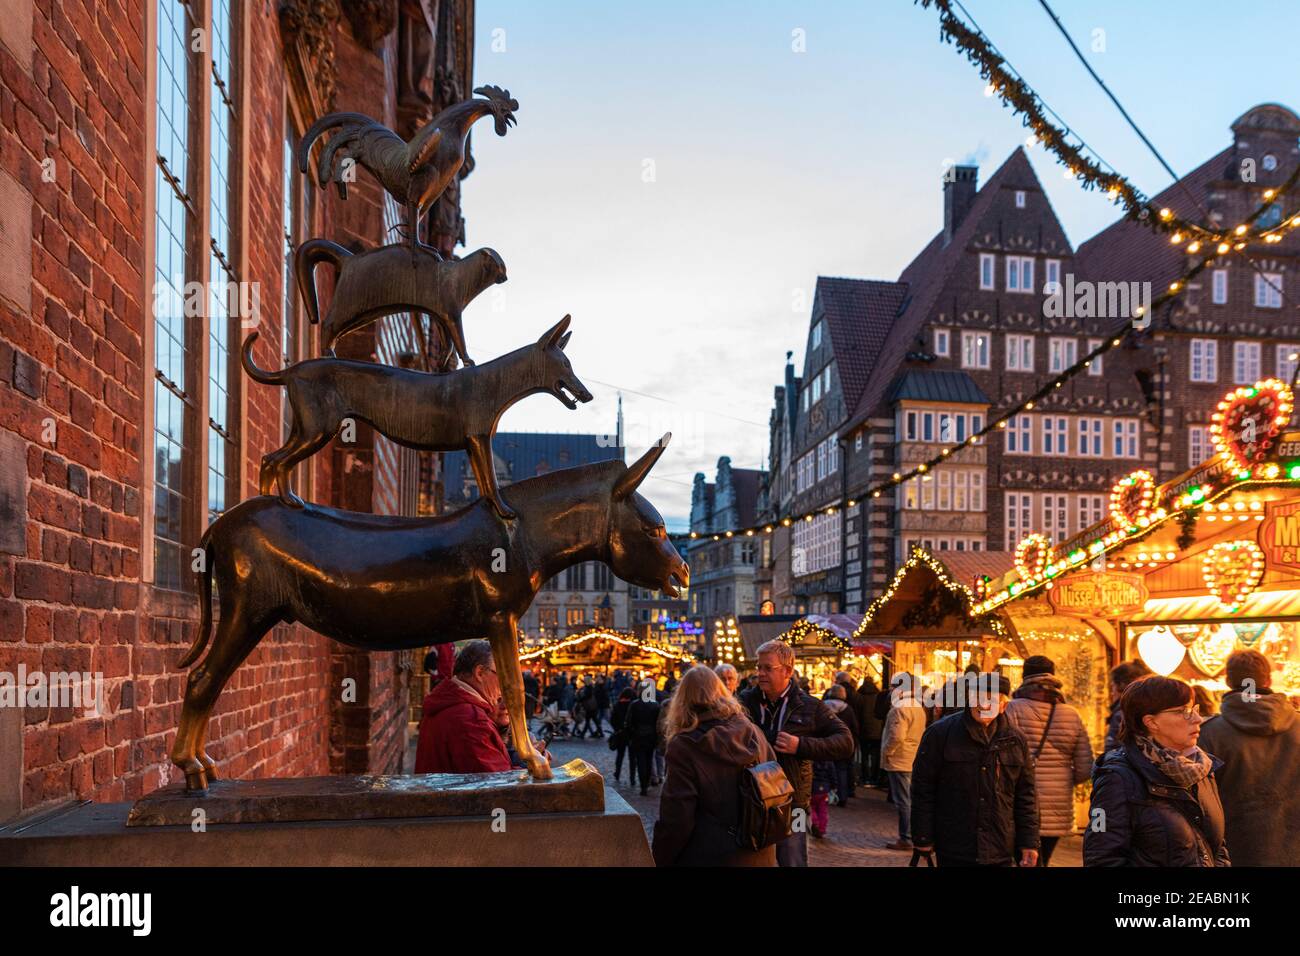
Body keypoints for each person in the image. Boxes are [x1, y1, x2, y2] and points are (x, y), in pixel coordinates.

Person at [1085, 675, 1230, 867]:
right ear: (1151, 722)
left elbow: (1215, 846)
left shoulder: (1201, 769)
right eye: (1183, 711)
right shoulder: (1117, 778)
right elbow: (1101, 857)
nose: (1197, 718)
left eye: (1194, 709)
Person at [739, 639, 854, 867]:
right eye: (758, 667)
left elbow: (845, 742)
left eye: (767, 668)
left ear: (788, 671)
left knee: (794, 859)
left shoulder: (810, 706)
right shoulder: (743, 702)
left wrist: (801, 745)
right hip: (751, 800)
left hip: (794, 803)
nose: (760, 673)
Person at [651, 666, 780, 866]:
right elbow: (776, 786)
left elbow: (676, 819)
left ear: (682, 698)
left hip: (711, 854)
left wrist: (659, 858)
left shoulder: (685, 746)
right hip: (760, 851)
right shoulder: (751, 730)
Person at [911, 673, 1040, 867]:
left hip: (1000, 846)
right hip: (955, 844)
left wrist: (1029, 842)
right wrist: (923, 837)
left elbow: (1026, 795)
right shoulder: (940, 733)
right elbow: (923, 788)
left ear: (1004, 706)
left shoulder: (1015, 740)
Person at [1196, 650, 1300, 866]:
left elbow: (1200, 804)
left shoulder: (1208, 734)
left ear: (1227, 680)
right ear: (1269, 679)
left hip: (1235, 850)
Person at [1004, 655, 1094, 867]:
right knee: (1044, 857)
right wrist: (1061, 780)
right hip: (1058, 800)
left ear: (1025, 676)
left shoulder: (1012, 708)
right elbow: (1085, 767)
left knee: (1025, 859)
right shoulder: (1072, 714)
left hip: (1020, 799)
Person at [414, 640, 512, 773]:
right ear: (480, 673)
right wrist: (529, 765)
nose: (504, 684)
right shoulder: (471, 719)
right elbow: (498, 784)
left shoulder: (449, 703)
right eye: (502, 675)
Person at [880, 672, 926, 851]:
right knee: (909, 799)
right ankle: (914, 835)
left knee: (903, 801)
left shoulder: (900, 707)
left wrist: (888, 752)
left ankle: (906, 837)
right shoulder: (917, 705)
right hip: (911, 755)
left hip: (901, 758)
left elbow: (897, 736)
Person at [1103, 660, 1152, 755]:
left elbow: (1113, 748)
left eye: (1112, 686)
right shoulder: (1150, 707)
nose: (1111, 692)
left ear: (1121, 684)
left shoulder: (1123, 711)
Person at [822, 684, 857, 807]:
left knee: (824, 770)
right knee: (841, 770)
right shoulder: (848, 709)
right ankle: (842, 797)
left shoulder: (822, 706)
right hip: (842, 744)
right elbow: (854, 727)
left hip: (825, 743)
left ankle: (824, 794)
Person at [626, 680, 662, 796]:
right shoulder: (655, 704)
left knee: (641, 761)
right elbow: (659, 723)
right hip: (651, 736)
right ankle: (645, 784)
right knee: (648, 760)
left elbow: (629, 722)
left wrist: (631, 733)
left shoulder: (635, 704)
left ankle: (643, 786)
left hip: (638, 736)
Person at [856, 676, 884, 786]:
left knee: (864, 755)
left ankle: (865, 776)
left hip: (863, 729)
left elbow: (857, 714)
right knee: (875, 755)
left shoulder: (859, 697)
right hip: (877, 730)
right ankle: (874, 777)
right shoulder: (878, 696)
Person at [610, 687, 637, 785]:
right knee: (632, 758)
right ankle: (632, 778)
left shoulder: (617, 705)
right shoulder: (634, 705)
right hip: (631, 735)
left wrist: (617, 729)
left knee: (620, 756)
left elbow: (612, 720)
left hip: (621, 734)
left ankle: (617, 773)